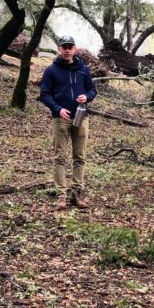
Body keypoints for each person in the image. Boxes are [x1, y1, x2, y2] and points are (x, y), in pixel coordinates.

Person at [39, 35, 97, 210]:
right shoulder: (51, 70)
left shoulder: (83, 69)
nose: (67, 50)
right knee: (59, 157)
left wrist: (86, 97)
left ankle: (76, 194)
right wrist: (58, 109)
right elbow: (44, 94)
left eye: (70, 47)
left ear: (74, 49)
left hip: (81, 117)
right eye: (63, 47)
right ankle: (62, 197)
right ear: (59, 49)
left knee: (79, 156)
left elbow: (92, 90)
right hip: (60, 119)